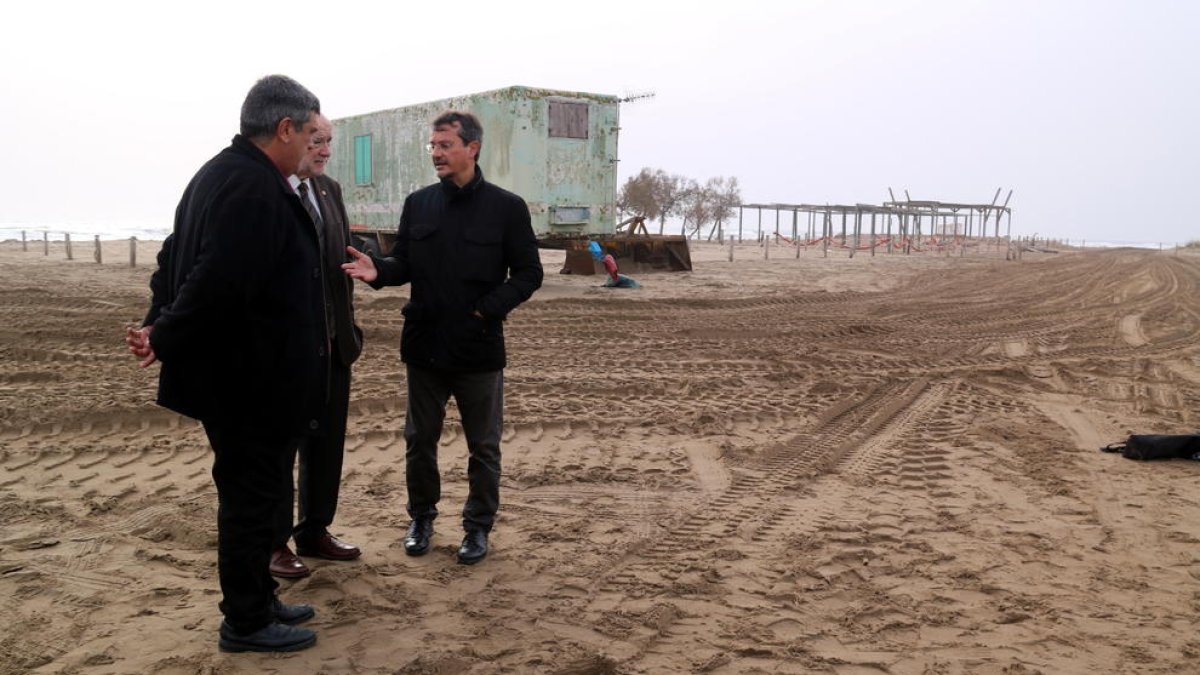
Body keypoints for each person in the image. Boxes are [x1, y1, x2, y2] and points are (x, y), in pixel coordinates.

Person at [124, 75, 326, 653]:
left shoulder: (219, 173)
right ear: (284, 128)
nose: (312, 143)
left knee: (256, 498)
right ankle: (245, 620)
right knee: (248, 501)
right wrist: (164, 330)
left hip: (242, 378)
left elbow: (170, 260)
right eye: (309, 132)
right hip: (248, 382)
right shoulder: (253, 186)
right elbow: (216, 278)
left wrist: (159, 323)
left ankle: (259, 599)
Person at [341, 110, 543, 565]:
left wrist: (487, 308)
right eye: (432, 146)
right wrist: (379, 272)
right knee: (419, 441)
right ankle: (421, 519)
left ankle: (477, 528)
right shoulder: (420, 203)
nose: (436, 153)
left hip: (478, 347)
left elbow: (529, 273)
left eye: (444, 145)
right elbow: (405, 264)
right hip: (425, 346)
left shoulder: (507, 208)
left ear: (472, 147)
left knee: (484, 447)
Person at [269, 113, 364, 579]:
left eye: (329, 142)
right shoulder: (270, 190)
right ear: (294, 137)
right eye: (317, 140)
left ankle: (315, 531)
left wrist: (377, 264)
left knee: (327, 445)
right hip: (288, 350)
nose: (324, 150)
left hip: (335, 343)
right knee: (281, 448)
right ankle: (274, 542)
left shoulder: (330, 191)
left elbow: (343, 252)